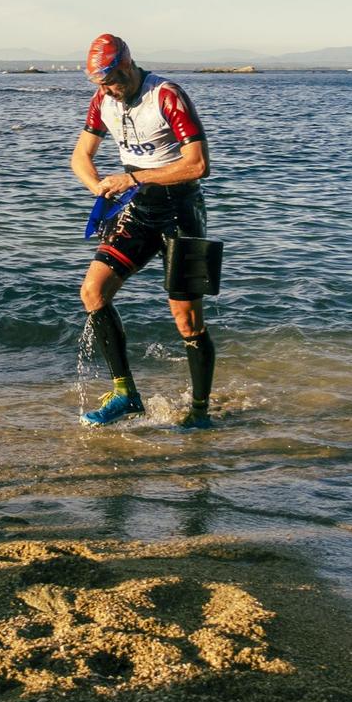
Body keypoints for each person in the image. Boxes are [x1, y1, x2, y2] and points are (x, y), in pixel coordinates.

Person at [68, 33, 217, 430]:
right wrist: (97, 184)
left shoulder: (166, 95)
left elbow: (198, 164)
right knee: (93, 292)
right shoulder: (103, 100)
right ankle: (125, 395)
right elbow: (80, 156)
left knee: (187, 321)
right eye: (101, 83)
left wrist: (133, 176)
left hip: (180, 210)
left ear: (129, 65)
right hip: (136, 210)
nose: (109, 90)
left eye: (113, 79)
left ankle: (200, 411)